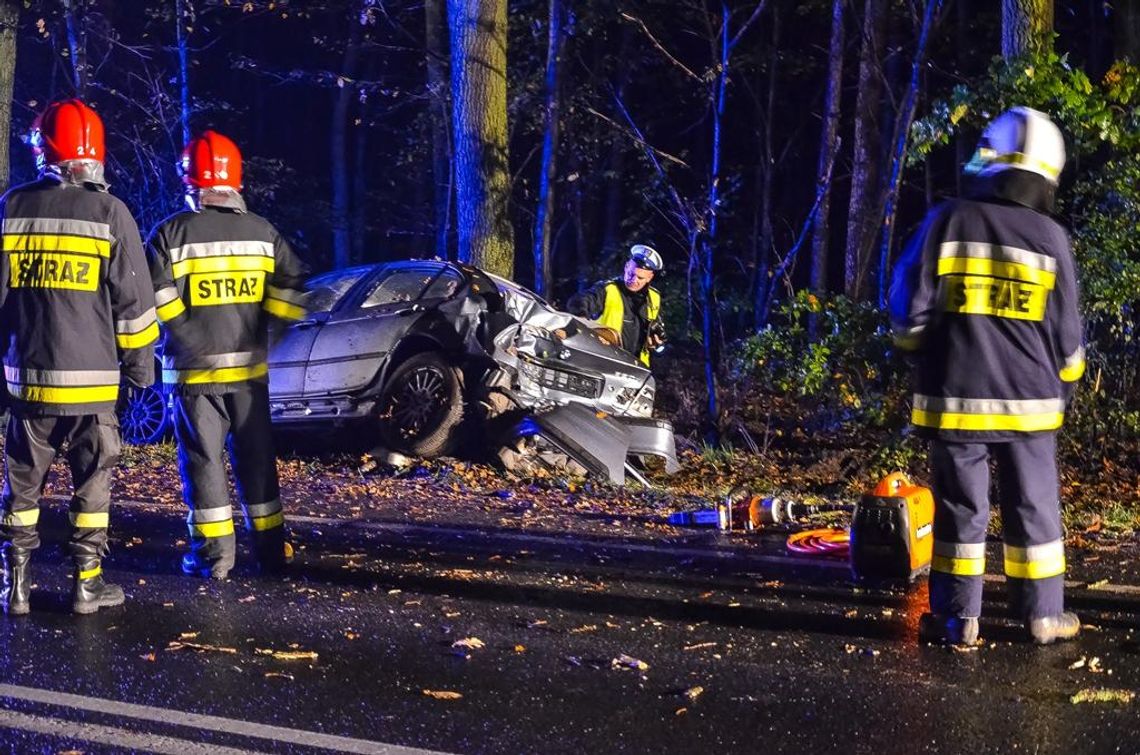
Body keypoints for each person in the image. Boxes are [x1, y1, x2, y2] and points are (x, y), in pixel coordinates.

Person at [889, 107, 1085, 646]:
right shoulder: (1051, 237)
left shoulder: (948, 220)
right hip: (1032, 404)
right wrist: (1060, 386)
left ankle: (958, 620)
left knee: (961, 512)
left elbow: (909, 312)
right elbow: (1069, 342)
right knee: (1035, 510)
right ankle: (1044, 616)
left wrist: (921, 353)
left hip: (955, 400)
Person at [0, 99, 157, 615]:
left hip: (28, 383)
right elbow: (133, 306)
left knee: (22, 486)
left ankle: (15, 586)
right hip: (92, 387)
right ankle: (86, 585)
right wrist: (139, 372)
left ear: (43, 149)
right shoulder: (110, 213)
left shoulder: (13, 207)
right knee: (92, 484)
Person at [147, 130, 308, 580]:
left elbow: (157, 301)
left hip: (194, 378)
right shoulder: (263, 233)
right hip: (250, 376)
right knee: (257, 463)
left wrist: (188, 339)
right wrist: (267, 337)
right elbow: (293, 292)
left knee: (204, 462)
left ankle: (214, 558)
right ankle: (271, 553)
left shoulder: (170, 234)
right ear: (237, 181)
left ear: (191, 182)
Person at [568, 244, 664, 366]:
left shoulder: (655, 298)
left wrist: (656, 346)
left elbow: (658, 344)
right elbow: (579, 301)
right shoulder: (607, 289)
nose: (634, 280)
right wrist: (581, 318)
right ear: (626, 267)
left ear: (650, 277)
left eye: (640, 277)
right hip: (606, 363)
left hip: (638, 368)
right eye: (631, 273)